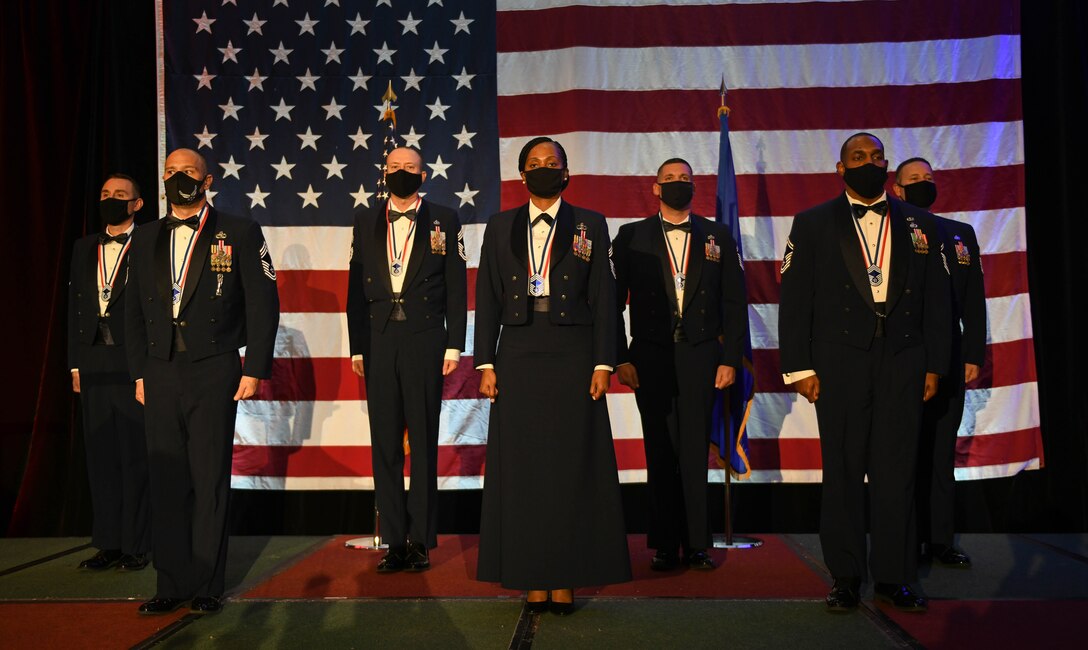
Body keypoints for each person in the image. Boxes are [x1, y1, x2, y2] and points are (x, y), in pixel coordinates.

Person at [779, 133, 950, 613]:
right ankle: (847, 576)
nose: (868, 163)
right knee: (844, 471)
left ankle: (895, 576)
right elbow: (795, 299)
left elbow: (937, 299)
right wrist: (798, 367)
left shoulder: (920, 223)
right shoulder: (812, 222)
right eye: (858, 157)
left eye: (876, 157)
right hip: (838, 362)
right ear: (841, 168)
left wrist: (935, 365)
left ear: (887, 165)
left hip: (904, 360)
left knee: (898, 472)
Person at [475, 137, 631, 614]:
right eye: (534, 163)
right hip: (517, 352)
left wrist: (603, 362)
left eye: (552, 163)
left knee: (570, 466)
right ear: (522, 174)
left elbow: (604, 296)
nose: (543, 169)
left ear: (566, 173)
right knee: (523, 468)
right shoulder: (499, 225)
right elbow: (487, 296)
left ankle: (564, 577)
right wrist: (485, 362)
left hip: (573, 353)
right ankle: (530, 576)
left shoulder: (590, 224)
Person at [125, 148, 280, 615]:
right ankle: (171, 583)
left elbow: (262, 302)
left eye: (187, 172)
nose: (178, 178)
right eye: (170, 172)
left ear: (207, 180)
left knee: (209, 477)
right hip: (159, 370)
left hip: (214, 368)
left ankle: (208, 583)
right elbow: (132, 311)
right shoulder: (145, 236)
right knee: (167, 477)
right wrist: (138, 371)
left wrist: (254, 368)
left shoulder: (240, 231)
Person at [613, 158, 747, 571]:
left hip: (701, 355)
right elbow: (612, 302)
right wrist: (620, 357)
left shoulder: (717, 234)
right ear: (655, 188)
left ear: (694, 187)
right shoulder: (631, 236)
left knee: (694, 450)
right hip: (650, 355)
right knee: (659, 449)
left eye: (684, 179)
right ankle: (666, 544)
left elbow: (733, 302)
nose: (677, 184)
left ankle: (698, 543)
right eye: (669, 179)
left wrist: (731, 359)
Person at [346, 146, 468, 572]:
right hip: (379, 340)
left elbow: (456, 285)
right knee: (384, 444)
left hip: (425, 340)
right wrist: (357, 346)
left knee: (423, 441)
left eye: (410, 167)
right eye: (395, 167)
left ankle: (421, 541)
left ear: (423, 174)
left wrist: (454, 344)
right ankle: (394, 541)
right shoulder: (365, 219)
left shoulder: (444, 219)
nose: (402, 173)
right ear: (384, 173)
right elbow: (354, 290)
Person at [894, 157, 986, 569]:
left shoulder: (960, 233)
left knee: (941, 450)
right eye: (914, 179)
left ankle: (940, 540)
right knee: (906, 450)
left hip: (950, 353)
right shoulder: (891, 232)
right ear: (897, 189)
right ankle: (906, 538)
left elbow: (974, 298)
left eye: (928, 178)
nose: (923, 183)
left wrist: (972, 354)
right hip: (907, 354)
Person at [68, 173, 150, 572]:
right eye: (105, 194)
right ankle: (109, 543)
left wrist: (147, 369)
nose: (110, 199)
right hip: (93, 364)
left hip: (133, 364)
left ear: (137, 204)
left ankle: (137, 544)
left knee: (135, 456)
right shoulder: (83, 246)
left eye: (120, 195)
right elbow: (74, 306)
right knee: (101, 457)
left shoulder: (149, 243)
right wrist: (74, 363)